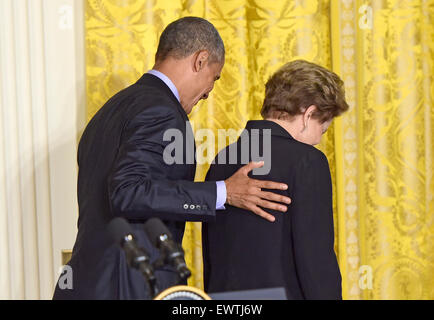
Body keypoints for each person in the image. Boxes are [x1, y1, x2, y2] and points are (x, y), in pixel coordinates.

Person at [52, 17, 291, 300]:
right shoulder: (160, 111)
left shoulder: (109, 111)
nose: (209, 92)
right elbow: (128, 192)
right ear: (200, 60)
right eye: (214, 78)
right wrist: (224, 192)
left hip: (89, 284)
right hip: (128, 287)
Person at [202, 60, 349, 300]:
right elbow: (316, 261)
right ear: (308, 114)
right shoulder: (308, 161)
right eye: (322, 130)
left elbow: (213, 256)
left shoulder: (223, 159)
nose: (319, 141)